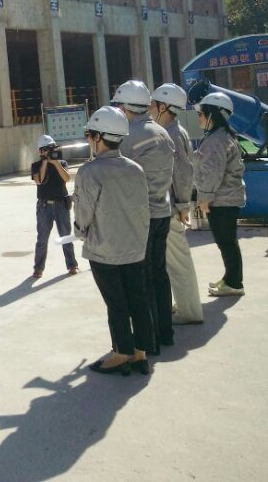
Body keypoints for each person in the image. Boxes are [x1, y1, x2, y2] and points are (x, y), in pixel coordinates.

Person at [73, 106, 152, 376]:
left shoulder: (90, 171)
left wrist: (79, 231)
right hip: (135, 247)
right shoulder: (136, 169)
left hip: (104, 250)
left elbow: (84, 213)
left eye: (89, 135)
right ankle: (140, 353)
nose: (88, 140)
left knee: (116, 304)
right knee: (138, 300)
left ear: (99, 137)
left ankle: (121, 354)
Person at [113, 80, 175, 354]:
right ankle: (166, 332)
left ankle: (149, 340)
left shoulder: (128, 137)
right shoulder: (163, 132)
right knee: (160, 274)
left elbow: (115, 174)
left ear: (126, 107)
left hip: (141, 217)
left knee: (143, 280)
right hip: (163, 211)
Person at [150, 84, 203, 323]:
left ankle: (189, 312)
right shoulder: (170, 131)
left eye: (153, 104)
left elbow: (182, 173)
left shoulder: (171, 134)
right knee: (170, 262)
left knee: (179, 262)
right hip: (169, 207)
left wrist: (182, 206)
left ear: (163, 107)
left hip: (171, 209)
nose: (149, 108)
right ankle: (182, 305)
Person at [194, 92, 247, 297]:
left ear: (212, 115)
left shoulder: (216, 139)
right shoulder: (222, 136)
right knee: (227, 241)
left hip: (221, 199)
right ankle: (230, 278)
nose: (199, 117)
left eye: (201, 113)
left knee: (226, 242)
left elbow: (212, 171)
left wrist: (205, 197)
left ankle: (234, 283)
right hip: (227, 198)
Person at [30, 135, 79, 278]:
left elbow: (67, 178)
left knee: (66, 237)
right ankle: (38, 268)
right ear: (41, 151)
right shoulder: (36, 165)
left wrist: (56, 163)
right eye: (47, 149)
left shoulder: (62, 163)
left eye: (52, 148)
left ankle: (72, 265)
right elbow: (39, 181)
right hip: (44, 206)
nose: (51, 151)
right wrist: (45, 162)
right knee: (42, 239)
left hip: (61, 205)